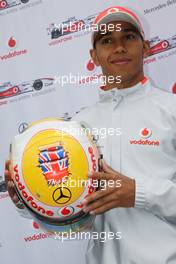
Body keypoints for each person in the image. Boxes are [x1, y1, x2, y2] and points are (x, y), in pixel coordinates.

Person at [5, 5, 176, 264]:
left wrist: (138, 193)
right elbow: (71, 222)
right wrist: (26, 201)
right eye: (107, 40)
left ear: (146, 47)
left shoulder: (171, 110)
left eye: (128, 37)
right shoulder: (76, 127)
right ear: (94, 56)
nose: (119, 47)